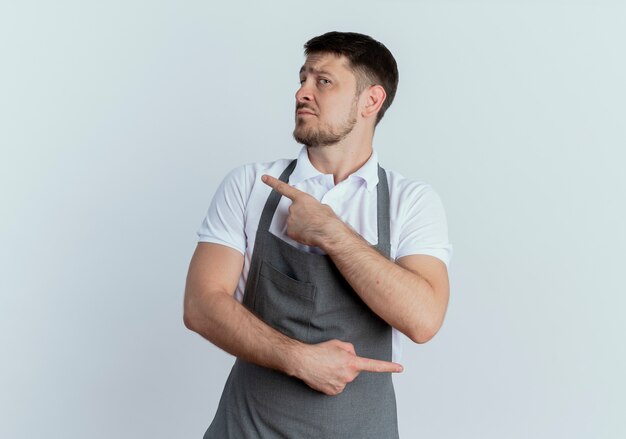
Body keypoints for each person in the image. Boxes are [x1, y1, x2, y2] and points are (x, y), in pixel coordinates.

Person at [183, 31, 453, 439]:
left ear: (371, 101)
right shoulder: (251, 185)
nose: (302, 92)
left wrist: (332, 233)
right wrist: (299, 359)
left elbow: (423, 319)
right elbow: (201, 305)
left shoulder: (410, 201)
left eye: (323, 81)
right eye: (302, 78)